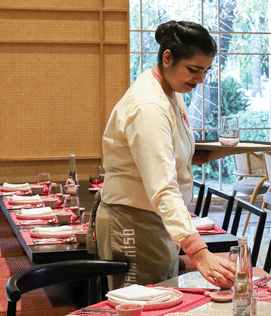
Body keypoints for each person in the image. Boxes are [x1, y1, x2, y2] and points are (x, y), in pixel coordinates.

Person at [94, 20, 235, 290]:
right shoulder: (148, 106)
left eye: (205, 71)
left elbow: (167, 151)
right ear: (167, 58)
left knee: (162, 297)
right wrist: (199, 252)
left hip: (152, 218)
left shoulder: (171, 90)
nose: (201, 79)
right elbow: (162, 188)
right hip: (134, 218)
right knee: (143, 306)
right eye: (193, 70)